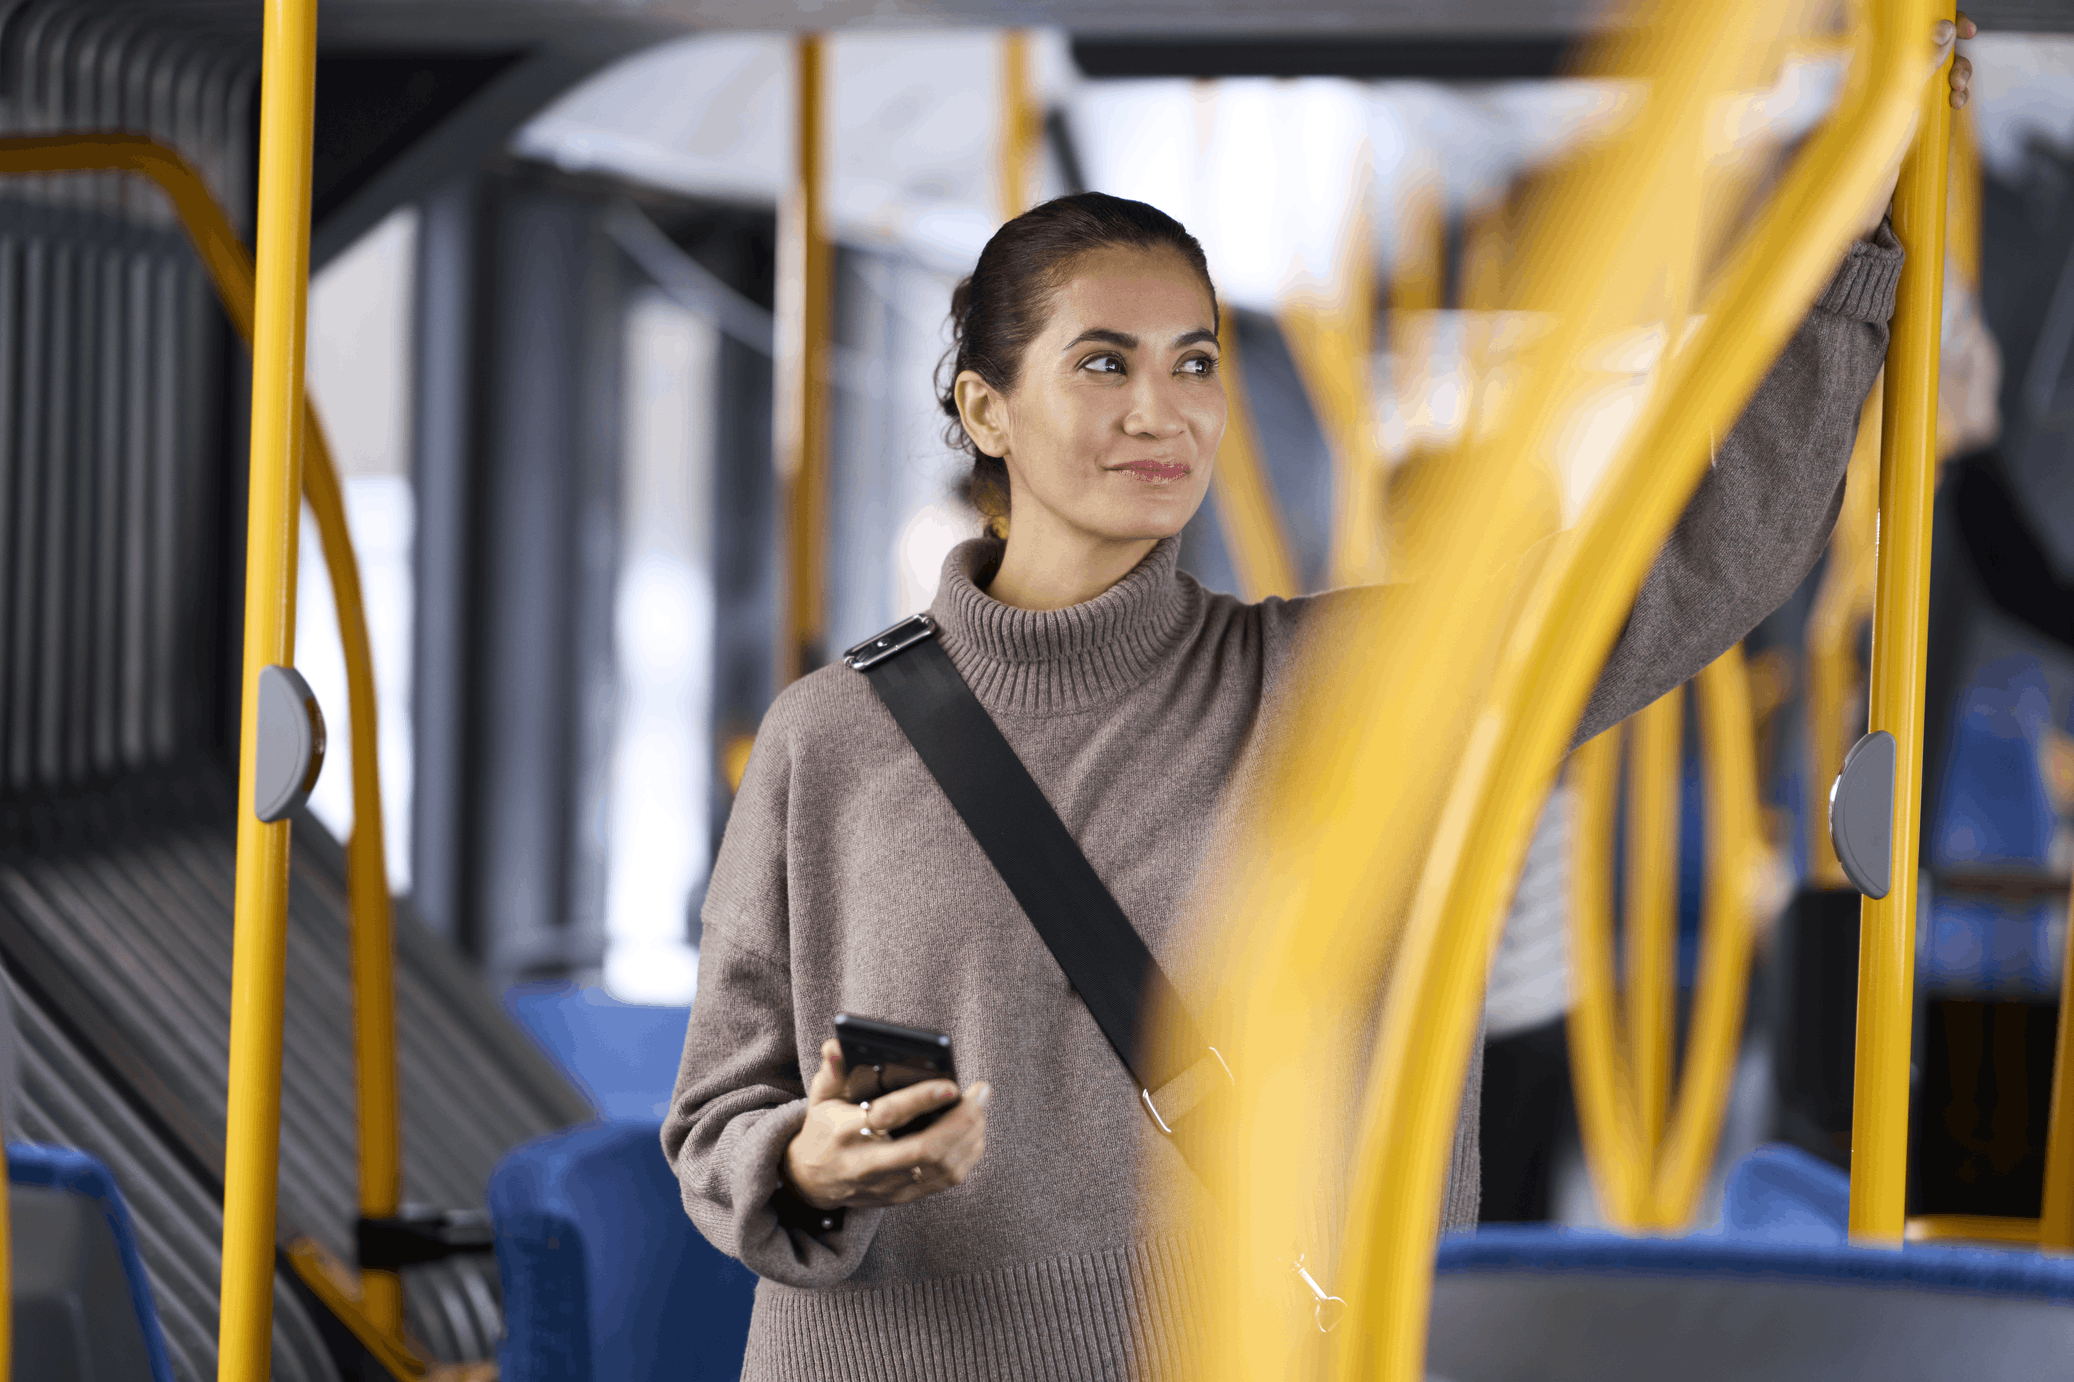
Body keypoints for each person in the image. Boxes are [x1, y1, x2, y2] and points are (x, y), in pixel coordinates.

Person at [666, 28, 1971, 1378]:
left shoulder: (1346, 687)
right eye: (1103, 363)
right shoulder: (832, 733)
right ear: (985, 409)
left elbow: (1701, 553)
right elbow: (718, 1110)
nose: (1160, 410)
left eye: (1195, 362)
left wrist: (1851, 205)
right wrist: (804, 1161)